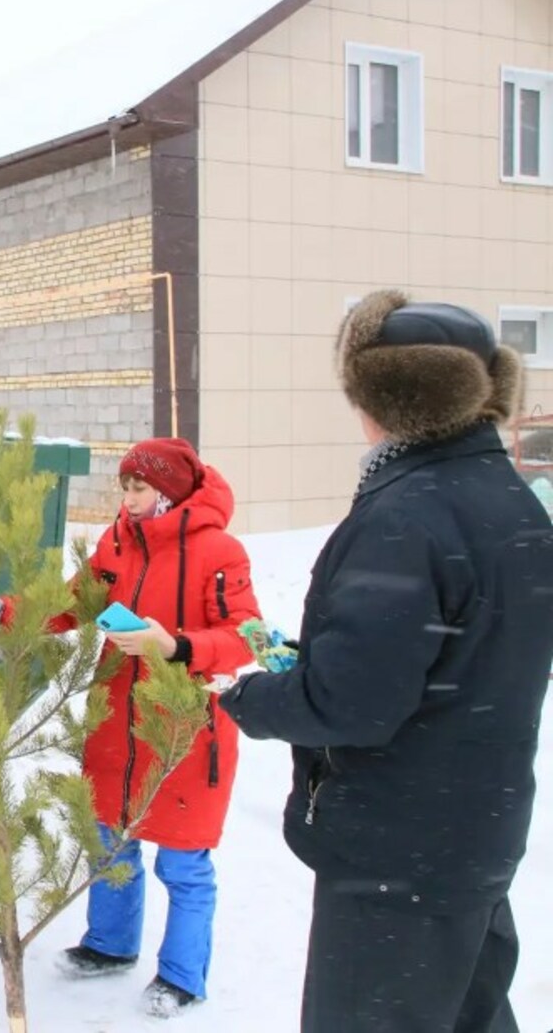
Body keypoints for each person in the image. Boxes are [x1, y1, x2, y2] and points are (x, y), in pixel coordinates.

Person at [218, 291, 553, 1033]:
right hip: (473, 839)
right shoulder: (512, 501)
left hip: (396, 860)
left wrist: (252, 696)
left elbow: (354, 703)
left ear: (384, 397)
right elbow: (457, 657)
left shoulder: (405, 514)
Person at [36, 438, 262, 1018]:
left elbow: (248, 637)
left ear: (169, 491)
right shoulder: (118, 542)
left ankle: (182, 978)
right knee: (110, 841)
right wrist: (9, 615)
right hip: (117, 719)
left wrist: (176, 645)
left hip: (187, 731)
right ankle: (110, 946)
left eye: (140, 489)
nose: (129, 500)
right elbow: (75, 602)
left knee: (183, 863)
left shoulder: (221, 552)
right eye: (126, 488)